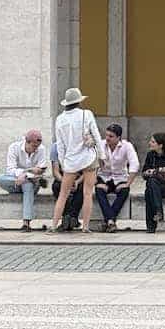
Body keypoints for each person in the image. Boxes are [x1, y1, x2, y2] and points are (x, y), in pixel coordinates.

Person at [50, 87, 102, 233]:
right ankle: (85, 227)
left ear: (66, 103)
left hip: (71, 160)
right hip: (88, 157)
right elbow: (96, 135)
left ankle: (53, 225)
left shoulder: (59, 119)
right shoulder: (86, 114)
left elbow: (60, 145)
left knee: (63, 194)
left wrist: (63, 162)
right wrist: (102, 155)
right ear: (79, 101)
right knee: (87, 193)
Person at [0, 129, 50, 230]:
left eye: (37, 146)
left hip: (31, 184)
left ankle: (26, 223)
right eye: (34, 146)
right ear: (27, 142)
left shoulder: (41, 149)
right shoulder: (14, 147)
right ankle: (30, 179)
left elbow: (40, 170)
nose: (36, 149)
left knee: (28, 184)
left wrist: (25, 174)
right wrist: (27, 174)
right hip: (15, 182)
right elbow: (10, 170)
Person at [92, 123, 141, 232]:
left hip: (120, 177)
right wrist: (95, 180)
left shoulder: (127, 146)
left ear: (118, 138)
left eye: (111, 136)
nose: (107, 138)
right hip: (104, 176)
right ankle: (111, 221)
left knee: (124, 190)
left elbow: (135, 164)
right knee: (99, 190)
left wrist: (128, 183)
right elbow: (93, 163)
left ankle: (109, 220)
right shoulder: (101, 145)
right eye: (107, 135)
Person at [49, 140, 84, 230]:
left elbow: (86, 172)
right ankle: (68, 216)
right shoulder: (56, 147)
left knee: (82, 188)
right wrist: (65, 182)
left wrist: (77, 181)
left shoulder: (82, 146)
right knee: (56, 186)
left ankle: (72, 216)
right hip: (63, 177)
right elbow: (55, 172)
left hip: (78, 177)